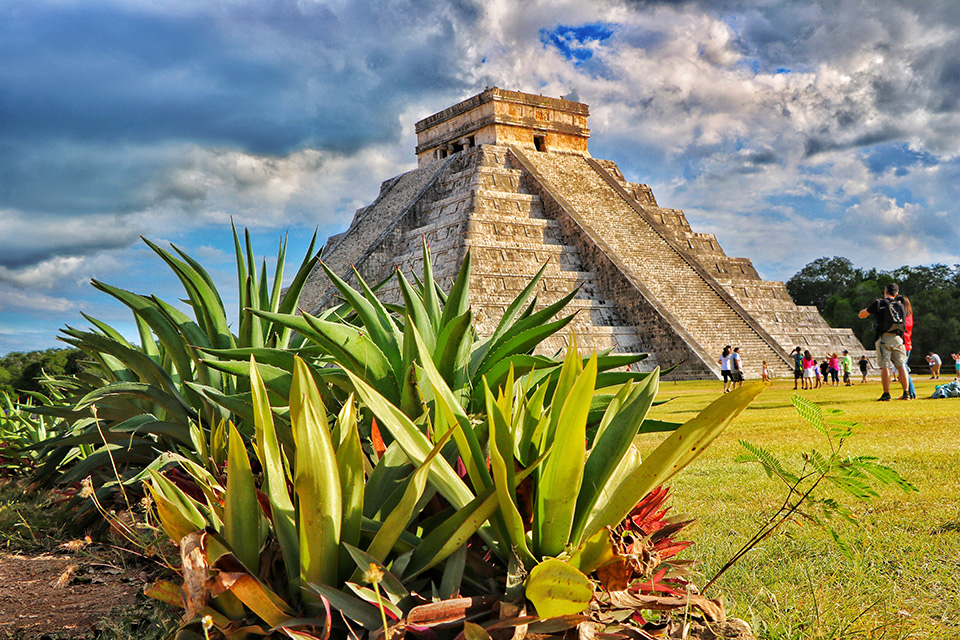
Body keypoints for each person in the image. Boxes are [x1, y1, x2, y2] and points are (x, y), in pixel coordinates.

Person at [859, 283, 909, 401]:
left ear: (885, 291)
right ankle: (906, 393)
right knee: (901, 366)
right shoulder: (900, 305)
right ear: (896, 294)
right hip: (898, 338)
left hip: (884, 338)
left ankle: (886, 394)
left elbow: (862, 315)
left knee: (885, 366)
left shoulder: (879, 303)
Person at [902, 297, 916, 399]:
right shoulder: (909, 316)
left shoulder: (902, 317)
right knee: (904, 368)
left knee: (904, 369)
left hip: (903, 344)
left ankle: (911, 393)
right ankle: (910, 393)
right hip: (908, 344)